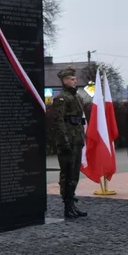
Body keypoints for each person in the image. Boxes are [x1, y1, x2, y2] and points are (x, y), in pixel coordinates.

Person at [48, 67, 87, 219]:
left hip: (77, 139)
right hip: (67, 140)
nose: (75, 80)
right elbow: (59, 122)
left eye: (75, 78)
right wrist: (64, 142)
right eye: (72, 79)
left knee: (75, 173)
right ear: (64, 81)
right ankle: (67, 205)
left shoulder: (76, 97)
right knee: (67, 173)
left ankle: (72, 203)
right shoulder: (61, 98)